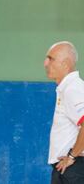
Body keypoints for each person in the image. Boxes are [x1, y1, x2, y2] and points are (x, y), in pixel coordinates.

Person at [44, 41, 84, 183]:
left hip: (73, 169)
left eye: (51, 58)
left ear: (65, 64)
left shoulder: (73, 88)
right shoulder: (67, 88)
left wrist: (72, 156)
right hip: (67, 168)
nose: (45, 63)